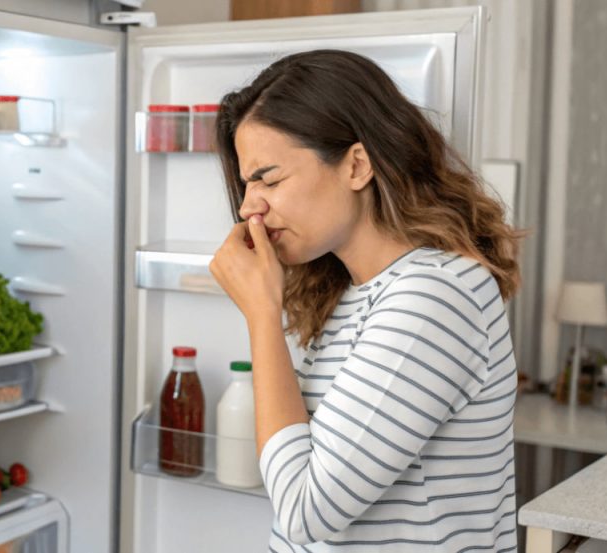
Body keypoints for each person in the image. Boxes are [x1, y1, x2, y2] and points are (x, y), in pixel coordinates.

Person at [208, 50, 522, 552]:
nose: (249, 206)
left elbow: (305, 512)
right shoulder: (358, 290)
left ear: (356, 165)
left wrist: (261, 314)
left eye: (268, 178)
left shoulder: (432, 298)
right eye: (247, 184)